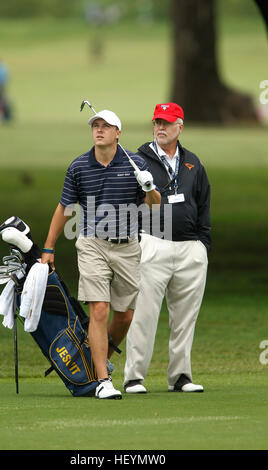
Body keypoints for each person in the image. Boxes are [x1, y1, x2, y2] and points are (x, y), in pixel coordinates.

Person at [41, 109, 161, 399]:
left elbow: (155, 205)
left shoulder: (137, 163)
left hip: (128, 246)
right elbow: (64, 208)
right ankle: (102, 379)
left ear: (118, 133)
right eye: (96, 125)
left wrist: (149, 186)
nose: (99, 130)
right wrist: (48, 246)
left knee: (125, 315)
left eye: (106, 126)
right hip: (92, 243)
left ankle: (97, 356)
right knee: (99, 309)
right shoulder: (79, 166)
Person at [124, 102, 211, 394]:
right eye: (157, 122)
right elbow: (127, 203)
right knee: (144, 315)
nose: (160, 127)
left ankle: (181, 376)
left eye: (167, 122)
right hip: (152, 244)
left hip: (190, 249)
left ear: (179, 127)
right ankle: (134, 377)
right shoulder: (138, 160)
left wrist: (203, 245)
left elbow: (204, 204)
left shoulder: (192, 162)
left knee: (185, 318)